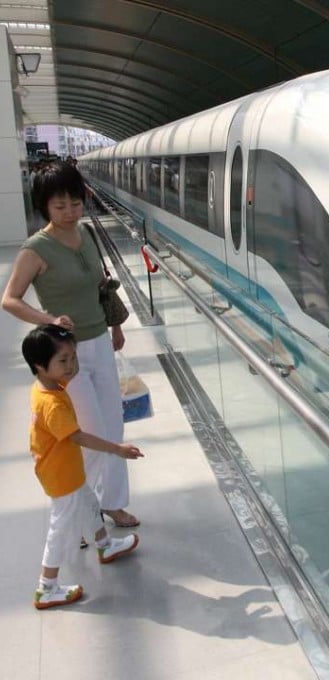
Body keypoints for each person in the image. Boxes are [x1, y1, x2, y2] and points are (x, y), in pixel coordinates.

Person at [2, 162, 140, 528]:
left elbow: (99, 287)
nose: (68, 212)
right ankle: (82, 508)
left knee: (114, 426)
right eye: (59, 205)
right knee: (91, 432)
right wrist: (49, 321)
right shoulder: (36, 248)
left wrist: (115, 327)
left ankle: (112, 503)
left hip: (100, 341)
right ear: (44, 206)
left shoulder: (86, 236)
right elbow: (10, 299)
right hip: (67, 356)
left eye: (75, 203)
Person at [22, 325, 142, 609]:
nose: (71, 365)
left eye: (73, 357)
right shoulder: (53, 406)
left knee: (89, 502)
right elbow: (79, 436)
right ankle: (46, 587)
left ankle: (104, 545)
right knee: (61, 528)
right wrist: (117, 449)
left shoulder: (47, 386)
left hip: (66, 469)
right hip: (61, 475)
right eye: (62, 361)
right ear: (40, 366)